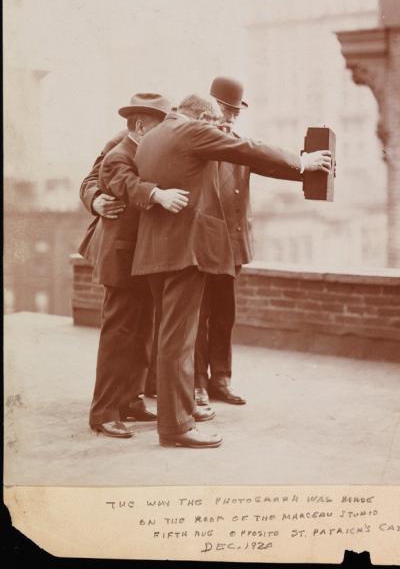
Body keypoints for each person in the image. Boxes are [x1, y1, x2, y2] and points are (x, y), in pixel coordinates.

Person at [132, 94, 332, 448]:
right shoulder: (192, 130)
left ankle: (175, 418)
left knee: (169, 338)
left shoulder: (151, 138)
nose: (217, 128)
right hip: (186, 251)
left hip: (154, 251)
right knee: (179, 341)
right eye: (213, 122)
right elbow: (245, 147)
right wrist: (302, 162)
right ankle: (177, 428)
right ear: (203, 117)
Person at [85, 93, 192, 438]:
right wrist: (155, 195)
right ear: (140, 125)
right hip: (121, 255)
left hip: (143, 256)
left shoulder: (148, 149)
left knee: (142, 331)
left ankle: (129, 400)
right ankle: (103, 412)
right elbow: (123, 183)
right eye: (161, 125)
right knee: (118, 335)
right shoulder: (120, 152)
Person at [194, 76, 302, 407]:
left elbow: (268, 162)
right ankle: (197, 382)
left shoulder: (238, 143)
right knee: (199, 315)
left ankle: (220, 380)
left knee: (224, 313)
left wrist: (306, 168)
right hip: (201, 243)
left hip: (232, 243)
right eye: (224, 109)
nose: (229, 117)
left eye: (234, 112)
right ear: (210, 106)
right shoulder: (197, 139)